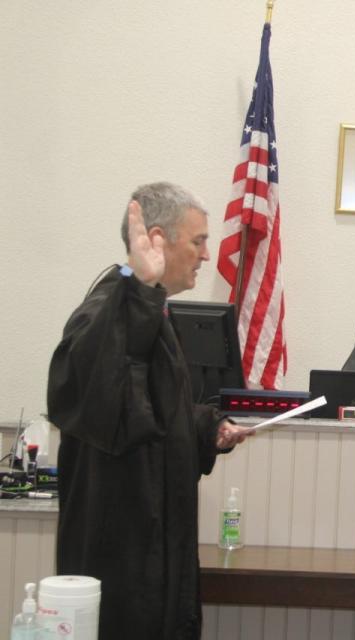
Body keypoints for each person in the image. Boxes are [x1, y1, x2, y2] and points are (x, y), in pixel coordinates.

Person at [47, 182, 252, 640]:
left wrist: (208, 427)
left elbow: (161, 411)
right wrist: (140, 290)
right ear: (158, 240)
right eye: (198, 241)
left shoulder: (153, 314)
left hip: (160, 547)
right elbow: (113, 405)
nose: (206, 255)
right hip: (122, 554)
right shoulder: (104, 313)